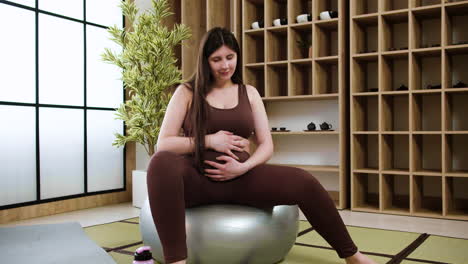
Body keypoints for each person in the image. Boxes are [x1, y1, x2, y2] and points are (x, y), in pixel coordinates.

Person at [147, 27, 377, 264]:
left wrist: (242, 168)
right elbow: (163, 143)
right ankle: (176, 261)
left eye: (230, 57)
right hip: (198, 180)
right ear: (205, 61)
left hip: (242, 180)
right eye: (216, 59)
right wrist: (209, 139)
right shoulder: (187, 92)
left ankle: (352, 256)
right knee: (160, 162)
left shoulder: (250, 93)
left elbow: (267, 145)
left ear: (237, 56)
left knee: (304, 181)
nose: (225, 65)